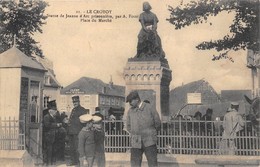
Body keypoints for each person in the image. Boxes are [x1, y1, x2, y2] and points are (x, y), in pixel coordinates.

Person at [126, 90, 161, 167]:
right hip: (136, 141)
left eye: (130, 101)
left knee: (152, 163)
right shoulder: (130, 111)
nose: (130, 104)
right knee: (135, 164)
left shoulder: (150, 108)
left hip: (149, 140)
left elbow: (157, 123)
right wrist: (134, 132)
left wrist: (151, 133)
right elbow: (128, 126)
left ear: (137, 99)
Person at [66, 95, 89, 166]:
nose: (74, 103)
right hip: (71, 132)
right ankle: (73, 161)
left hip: (77, 132)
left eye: (76, 102)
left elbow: (84, 121)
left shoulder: (82, 110)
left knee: (77, 148)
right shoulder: (73, 109)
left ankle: (78, 162)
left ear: (79, 101)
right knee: (71, 148)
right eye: (73, 102)